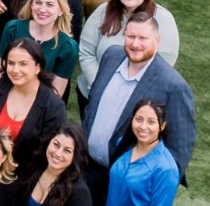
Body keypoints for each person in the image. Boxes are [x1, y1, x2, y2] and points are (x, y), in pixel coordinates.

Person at [82, 13, 195, 199]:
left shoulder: (174, 86)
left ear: (157, 41)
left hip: (127, 186)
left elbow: (179, 150)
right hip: (87, 170)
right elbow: (92, 106)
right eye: (131, 36)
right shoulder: (111, 56)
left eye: (143, 38)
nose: (135, 44)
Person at [77, 0, 178, 107]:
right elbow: (86, 52)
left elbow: (165, 60)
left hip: (136, 101)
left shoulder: (163, 18)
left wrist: (129, 93)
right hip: (94, 93)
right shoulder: (103, 11)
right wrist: (101, 86)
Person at [0, 39, 66, 178]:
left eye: (23, 64)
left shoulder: (53, 106)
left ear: (37, 67)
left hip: (23, 178)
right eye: (11, 63)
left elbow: (46, 155)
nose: (15, 70)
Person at [0, 0, 77, 97]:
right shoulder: (13, 29)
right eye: (38, 2)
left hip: (41, 102)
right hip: (6, 94)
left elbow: (56, 93)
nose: (42, 9)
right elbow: (0, 72)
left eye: (50, 5)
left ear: (61, 10)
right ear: (31, 5)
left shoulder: (68, 47)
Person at [104, 100, 181, 206]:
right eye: (139, 119)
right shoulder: (122, 144)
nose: (143, 126)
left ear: (162, 126)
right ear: (132, 120)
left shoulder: (166, 169)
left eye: (151, 122)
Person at [13, 125, 92, 206]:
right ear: (49, 142)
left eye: (67, 151)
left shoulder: (80, 194)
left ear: (75, 156)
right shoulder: (33, 167)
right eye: (56, 145)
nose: (58, 154)